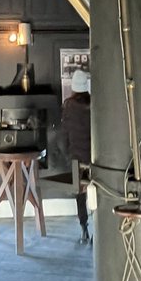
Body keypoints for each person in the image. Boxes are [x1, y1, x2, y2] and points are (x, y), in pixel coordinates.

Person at [61, 69, 92, 243]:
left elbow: (65, 133)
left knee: (80, 194)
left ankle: (84, 229)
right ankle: (100, 228)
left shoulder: (68, 106)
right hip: (94, 157)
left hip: (76, 158)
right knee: (98, 192)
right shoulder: (94, 104)